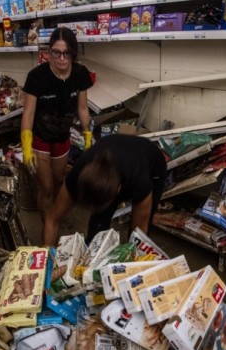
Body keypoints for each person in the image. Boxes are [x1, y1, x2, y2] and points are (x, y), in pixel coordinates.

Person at [20, 27, 94, 221]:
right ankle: (48, 226)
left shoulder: (80, 74)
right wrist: (26, 147)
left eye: (67, 53)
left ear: (73, 53)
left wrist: (88, 137)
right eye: (56, 52)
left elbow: (83, 109)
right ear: (49, 51)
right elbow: (28, 113)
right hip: (40, 137)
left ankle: (56, 216)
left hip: (62, 135)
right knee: (45, 187)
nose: (61, 58)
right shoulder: (36, 77)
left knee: (60, 180)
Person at [43, 134, 167, 247]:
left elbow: (139, 232)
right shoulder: (77, 175)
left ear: (118, 190)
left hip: (153, 167)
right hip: (117, 159)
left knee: (135, 238)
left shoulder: (139, 179)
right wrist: (46, 256)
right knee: (97, 229)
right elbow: (52, 219)